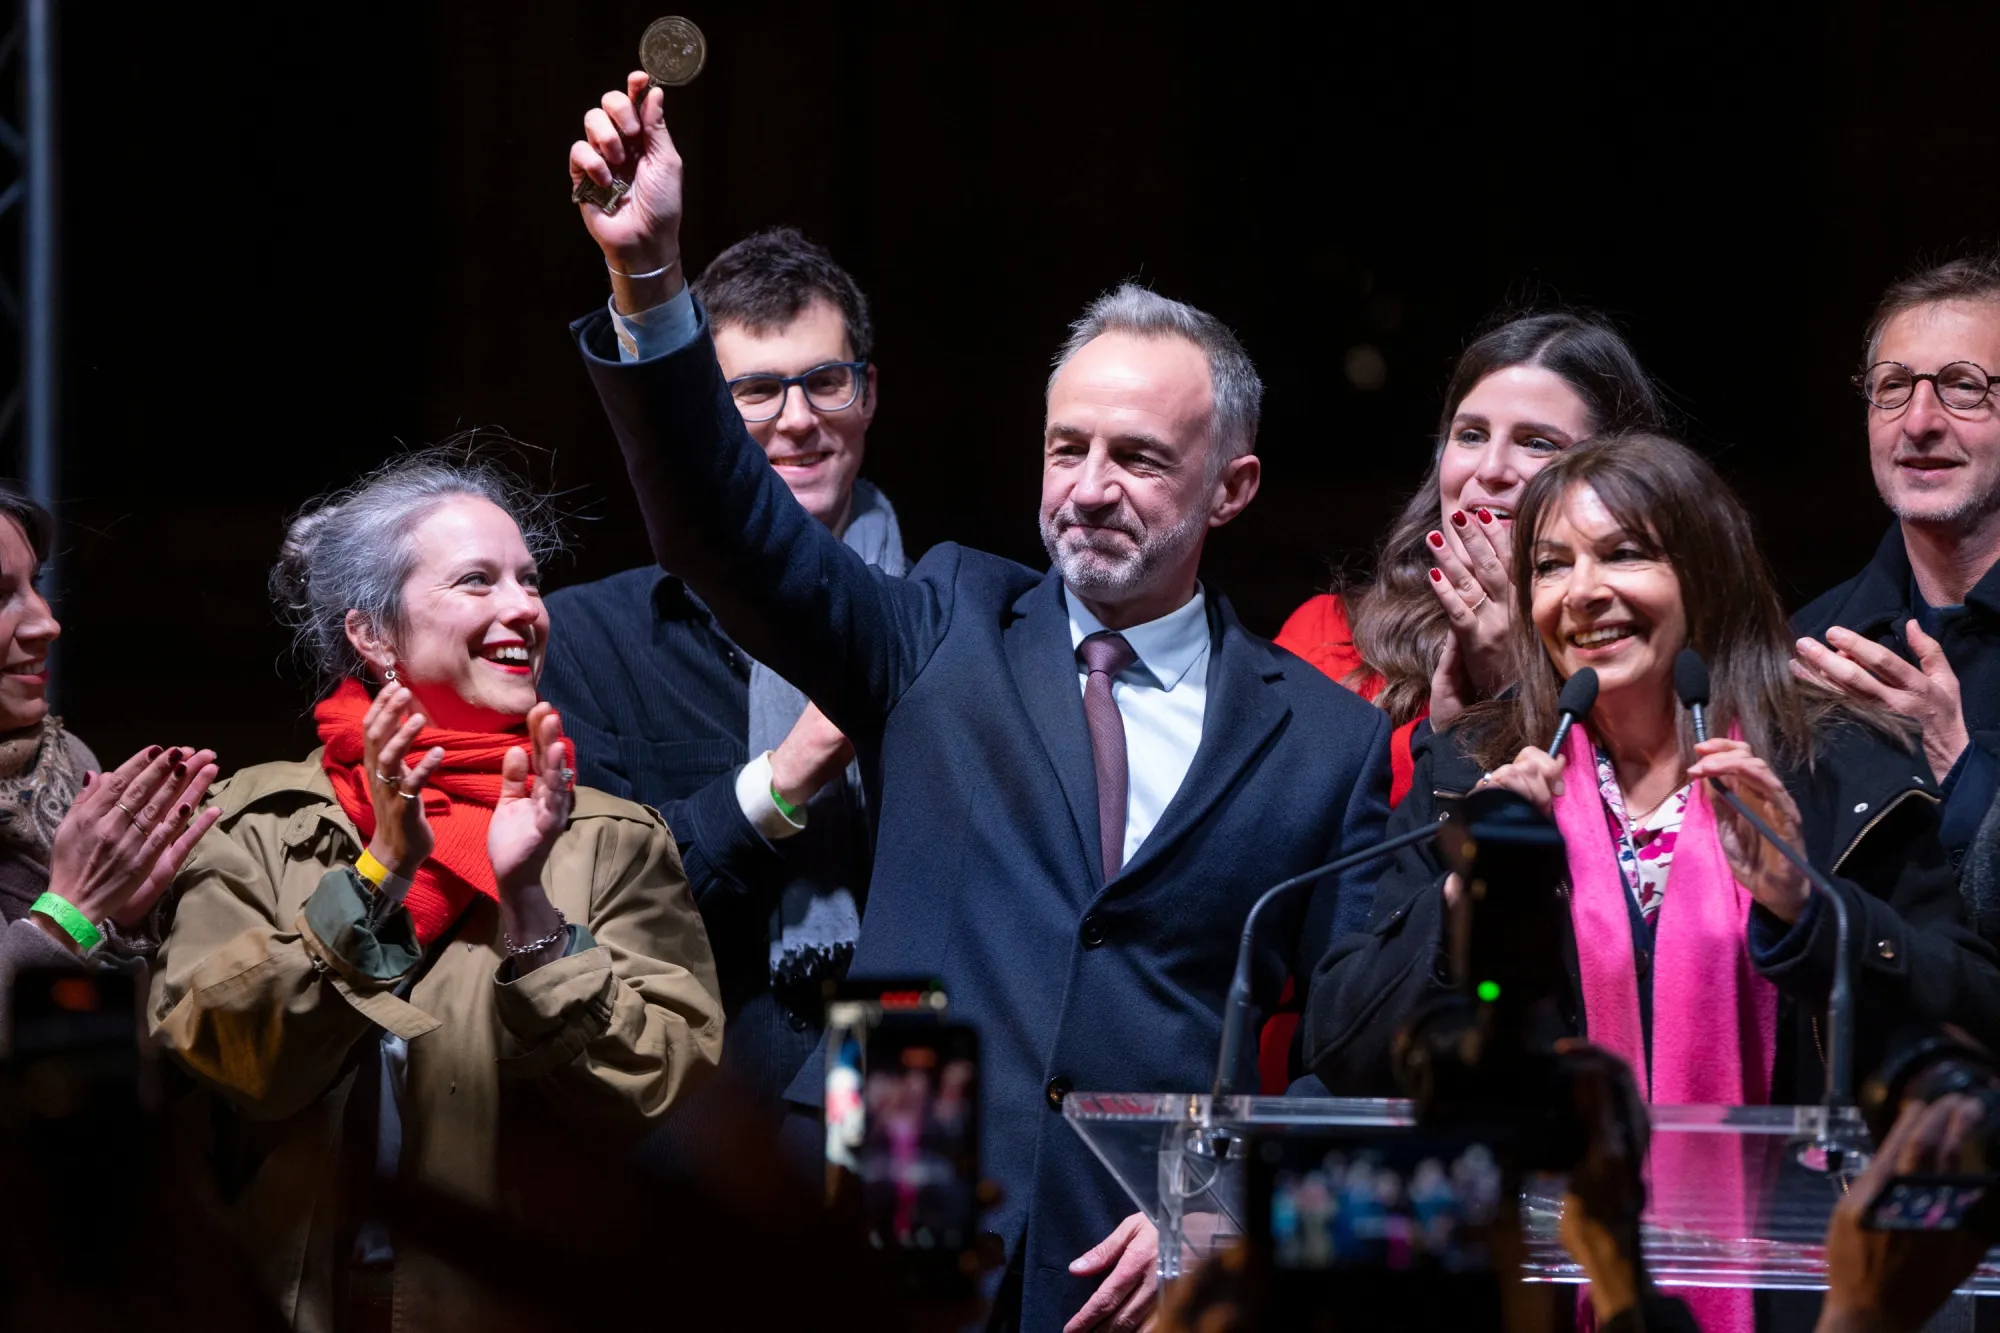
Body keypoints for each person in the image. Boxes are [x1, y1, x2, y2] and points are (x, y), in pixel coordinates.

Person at [566, 74, 1392, 1332]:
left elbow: (1362, 1052)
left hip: (1136, 1270)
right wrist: (650, 281)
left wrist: (1222, 1206)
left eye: (1138, 457)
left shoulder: (1323, 741)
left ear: (1231, 489)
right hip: (890, 1216)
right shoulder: (943, 621)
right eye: (1067, 449)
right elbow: (726, 532)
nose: (1090, 488)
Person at [149, 452, 724, 1330]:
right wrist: (382, 871)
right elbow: (225, 1059)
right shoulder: (256, 824)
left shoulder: (606, 840)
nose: (524, 608)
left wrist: (529, 903)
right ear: (373, 635)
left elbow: (659, 1102)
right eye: (476, 581)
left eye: (530, 581)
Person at [1306, 431, 2000, 1102]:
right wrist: (1466, 898)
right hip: (1544, 1213)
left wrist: (1804, 905)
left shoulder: (1839, 759)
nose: (1581, 591)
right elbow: (1342, 1051)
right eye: (1550, 565)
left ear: (1707, 578)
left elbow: (1972, 1018)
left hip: (1798, 1215)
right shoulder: (1470, 768)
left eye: (1624, 554)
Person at [541, 227, 904, 1106]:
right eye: (754, 392)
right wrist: (779, 783)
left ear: (868, 395)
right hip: (696, 1119)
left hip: (900, 1111)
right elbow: (582, 919)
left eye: (825, 380)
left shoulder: (950, 619)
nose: (797, 419)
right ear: (705, 408)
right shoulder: (590, 639)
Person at [1275, 312, 1666, 806]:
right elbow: (1293, 831)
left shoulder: (1645, 652)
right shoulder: (1332, 634)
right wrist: (1442, 739)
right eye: (1471, 435)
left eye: (1537, 443)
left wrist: (1515, 688)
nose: (1491, 469)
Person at [1794, 254, 2000, 876]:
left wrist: (1956, 762)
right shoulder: (1809, 647)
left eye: (1965, 386)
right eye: (1892, 387)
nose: (1919, 422)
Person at [0, 480, 221, 1030]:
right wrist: (67, 911)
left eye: (36, 584)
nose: (46, 621)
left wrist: (121, 917)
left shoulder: (62, 761)